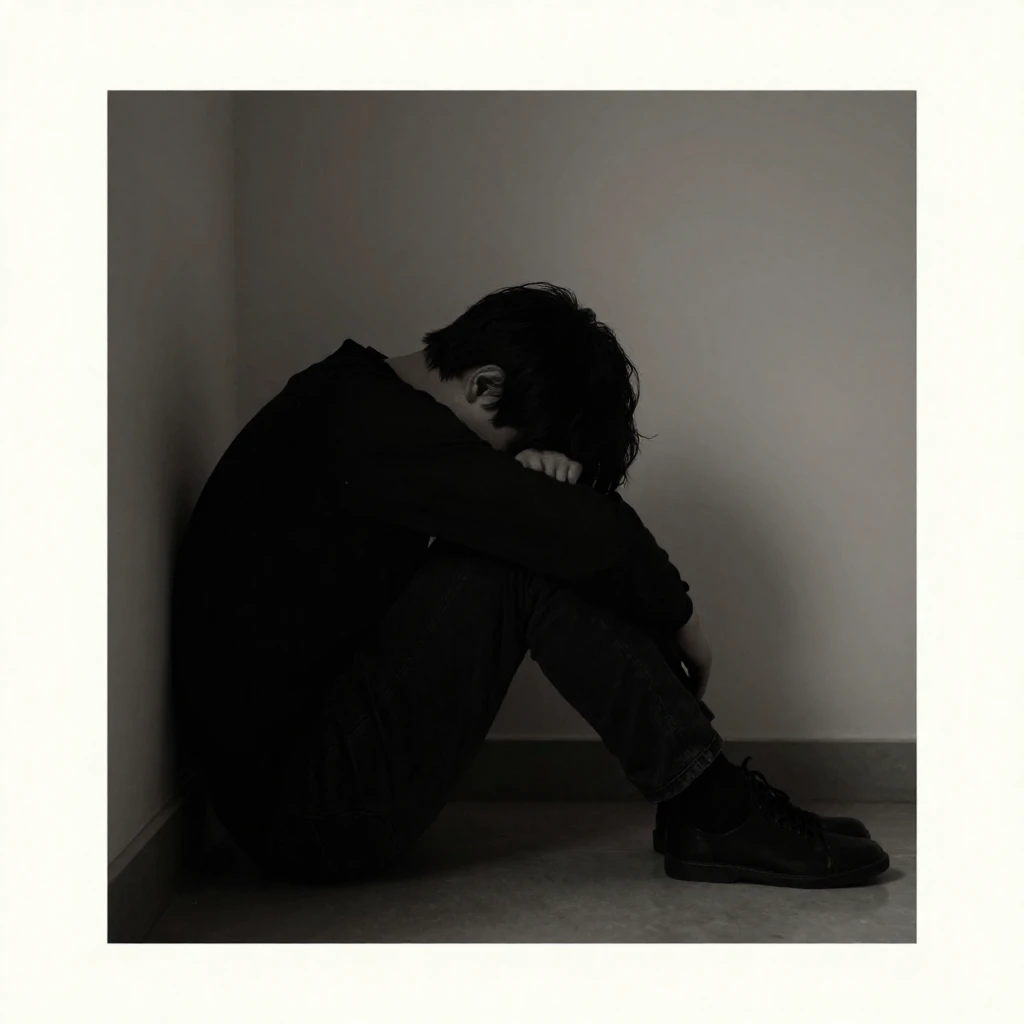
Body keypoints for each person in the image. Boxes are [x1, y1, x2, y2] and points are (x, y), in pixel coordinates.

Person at [171, 282, 890, 888]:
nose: (501, 470)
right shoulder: (364, 422)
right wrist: (686, 624)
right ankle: (713, 808)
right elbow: (597, 540)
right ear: (484, 385)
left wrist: (538, 497)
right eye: (516, 449)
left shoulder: (360, 407)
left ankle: (704, 803)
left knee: (534, 538)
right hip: (309, 818)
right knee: (524, 556)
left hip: (303, 784)